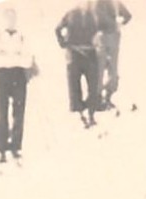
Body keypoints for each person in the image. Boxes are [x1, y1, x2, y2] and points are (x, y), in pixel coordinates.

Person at [0, 6, 35, 163]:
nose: (10, 21)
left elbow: (28, 58)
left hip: (18, 74)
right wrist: (14, 56)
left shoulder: (22, 37)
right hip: (2, 75)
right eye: (8, 18)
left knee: (19, 112)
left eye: (13, 18)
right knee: (1, 113)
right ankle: (1, 148)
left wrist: (11, 56)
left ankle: (16, 146)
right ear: (4, 20)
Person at [56, 0, 103, 128]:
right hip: (74, 54)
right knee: (74, 86)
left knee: (93, 86)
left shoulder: (93, 15)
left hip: (90, 53)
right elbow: (58, 29)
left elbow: (101, 31)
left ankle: (91, 113)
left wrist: (99, 40)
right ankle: (80, 115)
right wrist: (63, 44)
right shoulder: (71, 14)